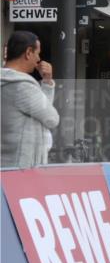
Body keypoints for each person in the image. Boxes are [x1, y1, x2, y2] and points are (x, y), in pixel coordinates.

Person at [1, 30, 59, 168]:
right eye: (37, 53)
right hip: (22, 169)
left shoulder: (6, 82)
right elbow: (51, 118)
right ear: (28, 53)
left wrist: (47, 81)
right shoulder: (22, 86)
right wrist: (47, 83)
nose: (39, 59)